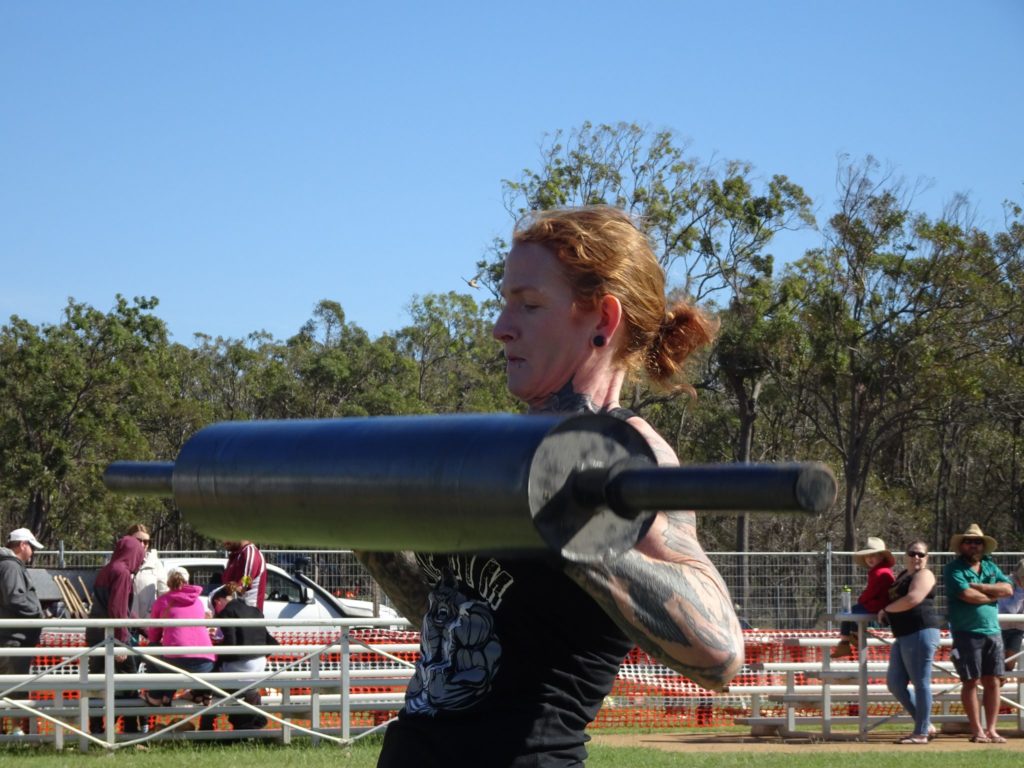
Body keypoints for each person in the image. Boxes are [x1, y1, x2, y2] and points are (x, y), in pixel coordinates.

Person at [357, 206, 744, 767]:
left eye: (529, 304)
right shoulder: (504, 448)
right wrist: (370, 539)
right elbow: (466, 623)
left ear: (602, 321)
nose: (500, 326)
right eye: (504, 300)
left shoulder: (628, 456)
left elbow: (720, 652)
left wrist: (576, 536)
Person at [943, 523, 1014, 744]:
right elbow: (967, 595)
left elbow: (1008, 589)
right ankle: (977, 730)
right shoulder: (953, 568)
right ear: (961, 546)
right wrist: (993, 594)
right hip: (966, 632)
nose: (973, 545)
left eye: (977, 542)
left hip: (993, 632)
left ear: (983, 546)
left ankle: (992, 729)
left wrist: (981, 587)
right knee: (971, 681)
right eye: (969, 541)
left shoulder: (990, 566)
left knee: (993, 681)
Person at [879, 540, 942, 744]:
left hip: (920, 631)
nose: (916, 557)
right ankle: (926, 724)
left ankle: (921, 732)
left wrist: (887, 610)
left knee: (920, 683)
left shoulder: (925, 574)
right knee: (895, 684)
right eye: (912, 553)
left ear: (927, 558)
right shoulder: (903, 575)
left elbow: (913, 598)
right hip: (903, 634)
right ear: (905, 555)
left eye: (921, 554)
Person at [87, 534, 146, 736]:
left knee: (97, 684)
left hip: (96, 635)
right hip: (112, 637)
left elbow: (118, 609)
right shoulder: (122, 573)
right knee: (129, 683)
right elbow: (117, 610)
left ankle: (96, 729)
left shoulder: (107, 569)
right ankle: (130, 730)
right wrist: (121, 642)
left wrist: (143, 626)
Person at [143, 567, 215, 711]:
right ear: (188, 581)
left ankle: (156, 696)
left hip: (177, 663)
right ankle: (200, 692)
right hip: (207, 663)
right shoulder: (198, 601)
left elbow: (154, 636)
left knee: (154, 651)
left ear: (168, 583)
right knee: (174, 660)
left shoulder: (163, 601)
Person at [209, 582, 276, 732]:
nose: (215, 613)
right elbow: (272, 642)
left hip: (241, 666)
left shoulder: (226, 612)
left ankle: (205, 728)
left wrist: (215, 655)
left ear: (218, 602)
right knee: (249, 691)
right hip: (259, 665)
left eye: (214, 609)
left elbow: (231, 646)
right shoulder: (255, 611)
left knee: (210, 681)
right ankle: (252, 720)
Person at [0, 528, 45, 736]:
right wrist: (37, 612)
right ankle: (16, 731)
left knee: (7, 687)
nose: (33, 553)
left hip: (10, 637)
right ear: (22, 545)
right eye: (32, 548)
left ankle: (10, 731)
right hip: (13, 639)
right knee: (16, 687)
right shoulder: (11, 567)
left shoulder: (7, 566)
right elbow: (14, 598)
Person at [832, 537, 896, 658]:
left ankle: (847, 639)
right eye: (867, 555)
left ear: (882, 556)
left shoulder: (880, 573)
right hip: (879, 605)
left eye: (874, 555)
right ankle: (852, 637)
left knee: (851, 612)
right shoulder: (882, 571)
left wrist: (861, 600)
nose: (870, 558)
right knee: (852, 612)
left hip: (877, 606)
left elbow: (871, 592)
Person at [125, 523, 167, 623]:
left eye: (146, 541)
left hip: (149, 625)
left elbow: (164, 594)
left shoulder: (156, 564)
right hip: (125, 623)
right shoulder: (120, 563)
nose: (142, 544)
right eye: (138, 540)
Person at [222, 540, 267, 612]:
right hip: (237, 611)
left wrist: (237, 590)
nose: (223, 542)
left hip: (248, 614)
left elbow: (246, 581)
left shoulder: (250, 551)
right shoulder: (237, 555)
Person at [997, 558, 1024, 672]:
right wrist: (1021, 590)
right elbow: (1013, 610)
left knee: (1010, 665)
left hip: (1018, 629)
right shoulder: (1006, 583)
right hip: (1000, 628)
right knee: (997, 663)